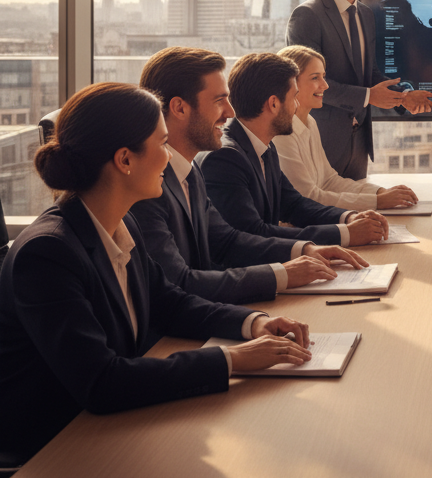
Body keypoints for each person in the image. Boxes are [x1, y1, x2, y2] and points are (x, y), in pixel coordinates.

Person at [0, 83, 313, 461]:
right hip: (56, 449)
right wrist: (234, 360)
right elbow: (102, 382)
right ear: (125, 160)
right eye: (162, 144)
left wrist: (254, 324)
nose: (169, 157)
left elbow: (170, 302)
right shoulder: (47, 253)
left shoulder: (122, 223)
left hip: (115, 427)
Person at [133, 47, 369, 305]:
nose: (230, 112)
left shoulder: (191, 171)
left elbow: (229, 239)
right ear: (179, 108)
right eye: (219, 100)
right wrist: (282, 274)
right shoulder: (152, 186)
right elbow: (182, 282)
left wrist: (308, 248)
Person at [286, 0, 432, 180]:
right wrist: (369, 96)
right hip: (321, 143)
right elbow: (307, 84)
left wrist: (404, 98)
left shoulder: (366, 14)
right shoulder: (307, 16)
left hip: (358, 148)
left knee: (359, 215)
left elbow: (370, 73)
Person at [200, 53, 390, 245]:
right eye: (294, 97)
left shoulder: (266, 147)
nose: (296, 106)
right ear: (274, 104)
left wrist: (348, 218)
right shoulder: (225, 158)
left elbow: (294, 205)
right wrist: (344, 234)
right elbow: (253, 233)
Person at [276, 44, 419, 210]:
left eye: (324, 76)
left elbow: (329, 181)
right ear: (290, 83)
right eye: (315, 78)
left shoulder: (310, 122)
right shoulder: (281, 134)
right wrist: (378, 202)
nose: (325, 85)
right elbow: (308, 197)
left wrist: (379, 192)